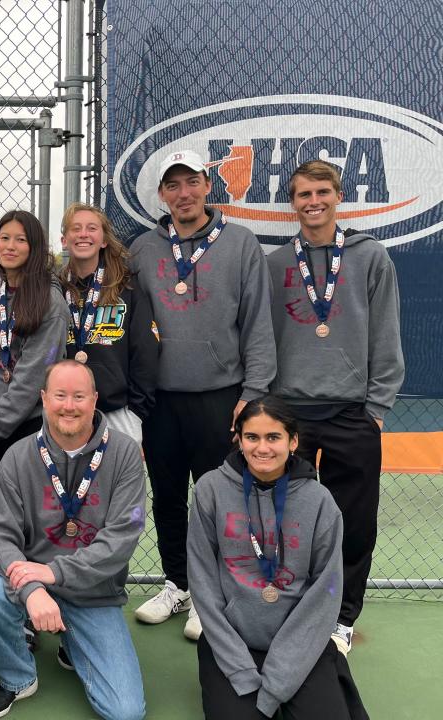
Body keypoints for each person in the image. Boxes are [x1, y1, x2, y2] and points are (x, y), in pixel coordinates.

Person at [128, 150, 277, 640]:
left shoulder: (239, 243)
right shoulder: (143, 250)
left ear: (207, 186)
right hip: (161, 400)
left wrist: (253, 391)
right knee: (167, 497)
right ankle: (178, 583)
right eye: (173, 186)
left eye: (191, 182)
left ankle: (212, 593)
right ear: (162, 195)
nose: (184, 193)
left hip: (222, 395)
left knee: (217, 499)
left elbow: (257, 322)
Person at [267, 160, 404, 654]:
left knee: (353, 521)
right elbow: (265, 341)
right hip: (292, 415)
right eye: (304, 194)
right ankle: (291, 605)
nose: (314, 201)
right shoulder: (277, 263)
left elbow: (387, 336)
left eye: (322, 191)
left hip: (352, 414)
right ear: (293, 202)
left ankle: (342, 617)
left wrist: (376, 407)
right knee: (288, 519)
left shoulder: (370, 257)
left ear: (338, 195)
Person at [0, 359, 147, 720]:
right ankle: (18, 678)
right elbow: (1, 537)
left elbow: (121, 539)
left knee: (125, 712)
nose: (69, 406)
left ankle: (73, 642)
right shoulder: (17, 457)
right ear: (44, 398)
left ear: (95, 399)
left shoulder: (126, 453)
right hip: (35, 583)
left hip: (93, 591)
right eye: (60, 395)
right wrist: (32, 589)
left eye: (79, 396)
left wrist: (52, 574)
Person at [187, 396, 369, 719]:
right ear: (239, 440)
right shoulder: (210, 490)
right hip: (233, 644)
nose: (262, 448)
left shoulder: (320, 501)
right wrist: (241, 670)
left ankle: (325, 674)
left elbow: (325, 593)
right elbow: (202, 584)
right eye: (252, 437)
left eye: (273, 437)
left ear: (293, 441)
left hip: (300, 645)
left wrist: (278, 681)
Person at [0, 210, 71, 546]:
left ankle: (36, 591)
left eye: (20, 240)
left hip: (32, 426)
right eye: (4, 237)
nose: (10, 246)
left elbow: (31, 379)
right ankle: (4, 591)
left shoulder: (49, 300)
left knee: (34, 521)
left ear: (35, 247)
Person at [58, 202, 159, 443]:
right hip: (64, 411)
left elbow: (145, 353)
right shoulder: (55, 290)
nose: (83, 234)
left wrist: (136, 412)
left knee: (118, 481)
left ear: (103, 240)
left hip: (116, 411)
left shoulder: (128, 288)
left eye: (92, 228)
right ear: (64, 240)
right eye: (76, 228)